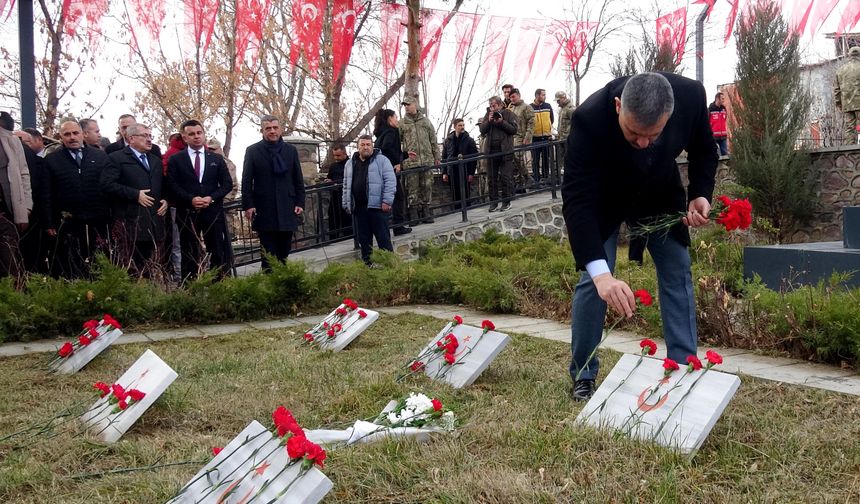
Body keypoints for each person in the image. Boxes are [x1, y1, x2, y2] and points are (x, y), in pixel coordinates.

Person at [562, 72, 718, 401]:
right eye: (634, 133)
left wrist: (701, 193)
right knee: (593, 282)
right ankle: (584, 372)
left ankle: (683, 367)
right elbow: (577, 202)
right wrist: (603, 275)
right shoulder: (589, 120)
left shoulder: (690, 96)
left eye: (654, 134)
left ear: (670, 115)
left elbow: (705, 149)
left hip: (659, 194)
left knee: (678, 269)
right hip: (604, 199)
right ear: (618, 107)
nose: (644, 142)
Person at [43, 121, 112, 278]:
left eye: (75, 133)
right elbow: (46, 193)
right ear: (61, 137)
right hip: (68, 222)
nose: (72, 137)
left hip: (98, 219)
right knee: (70, 263)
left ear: (82, 134)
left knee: (99, 263)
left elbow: (108, 186)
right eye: (67, 134)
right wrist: (48, 222)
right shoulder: (52, 160)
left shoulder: (100, 156)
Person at [167, 119, 234, 281]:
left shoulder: (216, 159)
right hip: (188, 212)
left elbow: (227, 184)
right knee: (189, 251)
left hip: (213, 212)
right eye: (192, 134)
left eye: (199, 133)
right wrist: (190, 199)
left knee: (217, 250)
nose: (196, 137)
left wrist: (211, 198)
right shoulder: (176, 159)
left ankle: (219, 284)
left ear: (203, 134)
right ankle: (190, 288)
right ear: (185, 137)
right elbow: (172, 185)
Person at [241, 114, 305, 272]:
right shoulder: (253, 151)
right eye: (268, 128)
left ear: (280, 129)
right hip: (265, 208)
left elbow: (298, 178)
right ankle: (269, 286)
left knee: (284, 251)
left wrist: (300, 202)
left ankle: (282, 284)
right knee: (268, 255)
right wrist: (248, 205)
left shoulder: (290, 151)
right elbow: (247, 181)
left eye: (275, 128)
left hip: (287, 207)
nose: (272, 131)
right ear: (262, 130)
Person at [102, 123, 168, 275]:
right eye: (145, 136)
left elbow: (164, 186)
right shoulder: (116, 158)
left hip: (154, 225)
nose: (149, 140)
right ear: (131, 138)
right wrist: (135, 194)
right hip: (130, 225)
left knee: (153, 269)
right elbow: (107, 184)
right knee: (132, 270)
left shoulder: (155, 160)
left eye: (150, 136)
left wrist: (166, 199)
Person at [341, 135, 395, 265]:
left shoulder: (382, 160)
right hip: (359, 210)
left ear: (372, 146)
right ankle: (368, 269)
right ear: (358, 146)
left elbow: (390, 181)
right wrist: (346, 203)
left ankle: (390, 269)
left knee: (384, 241)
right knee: (364, 242)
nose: (365, 147)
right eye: (363, 144)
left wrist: (387, 201)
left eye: (368, 144)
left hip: (377, 209)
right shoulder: (350, 163)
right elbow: (346, 185)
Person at [0, 112, 33, 278]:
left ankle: (15, 301)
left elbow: (23, 173)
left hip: (7, 214)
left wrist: (26, 206)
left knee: (11, 266)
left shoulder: (11, 141)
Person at [400, 95, 439, 224]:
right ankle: (413, 213)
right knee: (412, 188)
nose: (406, 107)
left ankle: (426, 210)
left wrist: (436, 157)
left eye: (408, 104)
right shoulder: (402, 123)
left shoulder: (426, 122)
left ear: (415, 105)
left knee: (427, 186)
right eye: (404, 105)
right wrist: (402, 157)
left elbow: (433, 140)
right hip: (410, 163)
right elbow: (397, 142)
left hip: (426, 159)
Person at [373, 108, 410, 236]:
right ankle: (398, 227)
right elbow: (387, 148)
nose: (397, 120)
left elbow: (387, 149)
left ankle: (385, 228)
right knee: (398, 197)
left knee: (387, 199)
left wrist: (404, 155)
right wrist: (397, 162)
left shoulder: (381, 133)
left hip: (381, 169)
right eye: (395, 117)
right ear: (390, 118)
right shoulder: (391, 131)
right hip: (390, 170)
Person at [479, 96, 518, 212]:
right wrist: (489, 122)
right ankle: (493, 202)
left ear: (500, 105)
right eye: (490, 105)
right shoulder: (488, 115)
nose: (492, 108)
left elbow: (513, 130)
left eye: (494, 105)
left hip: (505, 150)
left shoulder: (508, 114)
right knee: (492, 179)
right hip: (491, 151)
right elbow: (482, 130)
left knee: (506, 177)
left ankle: (506, 201)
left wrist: (502, 122)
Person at [441, 118, 478, 209]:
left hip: (465, 170)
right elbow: (445, 157)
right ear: (455, 127)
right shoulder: (448, 141)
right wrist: (444, 172)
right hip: (452, 170)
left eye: (463, 125)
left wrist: (471, 173)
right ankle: (457, 211)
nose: (462, 127)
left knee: (465, 192)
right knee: (455, 193)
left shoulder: (469, 140)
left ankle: (467, 211)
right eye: (460, 125)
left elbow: (474, 158)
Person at [506, 88, 535, 192]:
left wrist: (527, 137)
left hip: (521, 136)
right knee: (513, 160)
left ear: (518, 95)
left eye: (513, 96)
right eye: (510, 97)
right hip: (512, 137)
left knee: (518, 157)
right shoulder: (511, 109)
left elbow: (531, 123)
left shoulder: (526, 107)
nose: (512, 99)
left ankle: (527, 177)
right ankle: (520, 182)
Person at [323, 144, 352, 240]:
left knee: (347, 219)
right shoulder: (333, 166)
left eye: (338, 155)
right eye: (334, 155)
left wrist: (335, 182)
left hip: (347, 195)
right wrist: (328, 181)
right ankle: (333, 239)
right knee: (333, 219)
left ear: (345, 153)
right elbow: (330, 177)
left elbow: (350, 179)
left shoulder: (351, 164)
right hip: (335, 196)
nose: (336, 158)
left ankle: (350, 238)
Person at [834, 46, 860, 145]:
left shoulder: (840, 70)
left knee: (849, 129)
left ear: (849, 55)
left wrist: (839, 104)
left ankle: (850, 153)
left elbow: (836, 90)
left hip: (847, 104)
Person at [530, 88, 554, 186]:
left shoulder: (548, 106)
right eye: (543, 95)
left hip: (546, 136)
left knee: (546, 158)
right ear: (537, 96)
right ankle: (536, 179)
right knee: (535, 159)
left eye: (545, 94)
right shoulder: (530, 107)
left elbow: (551, 119)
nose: (545, 96)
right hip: (535, 137)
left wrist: (548, 129)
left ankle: (545, 178)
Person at [555, 91, 575, 176]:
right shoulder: (562, 109)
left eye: (558, 100)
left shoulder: (571, 108)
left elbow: (575, 123)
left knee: (569, 158)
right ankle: (559, 177)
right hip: (561, 138)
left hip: (568, 138)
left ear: (563, 98)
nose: (557, 102)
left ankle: (570, 176)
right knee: (560, 158)